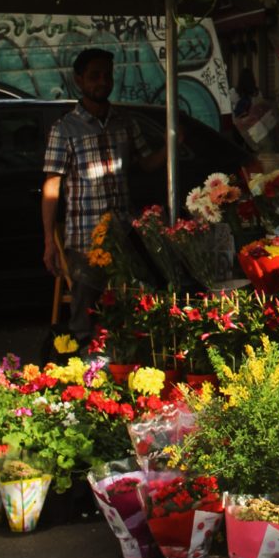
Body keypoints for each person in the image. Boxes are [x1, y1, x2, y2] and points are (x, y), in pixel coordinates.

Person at [41, 48, 171, 344]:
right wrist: (50, 241)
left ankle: (123, 374)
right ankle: (83, 379)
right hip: (85, 241)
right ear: (79, 80)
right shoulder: (64, 129)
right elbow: (52, 186)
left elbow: (147, 163)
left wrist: (169, 145)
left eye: (107, 74)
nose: (103, 81)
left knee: (127, 313)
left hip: (125, 235)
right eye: (94, 75)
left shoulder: (125, 122)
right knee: (85, 317)